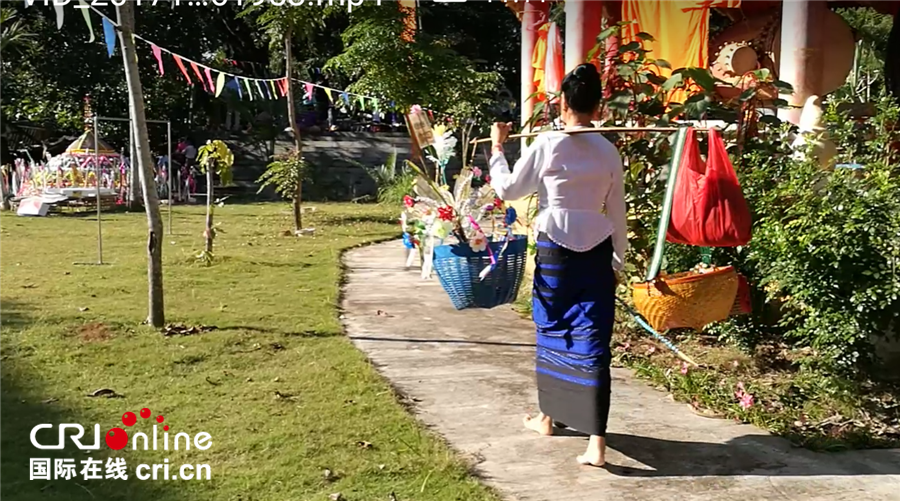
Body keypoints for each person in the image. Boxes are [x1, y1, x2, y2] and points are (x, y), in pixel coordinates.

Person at [488, 63, 628, 467]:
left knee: (552, 329)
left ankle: (553, 419)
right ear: (598, 105)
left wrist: (498, 149)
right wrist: (618, 260)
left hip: (556, 249)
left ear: (562, 103)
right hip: (599, 247)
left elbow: (510, 188)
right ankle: (586, 438)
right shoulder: (608, 149)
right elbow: (617, 211)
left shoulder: (548, 144)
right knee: (593, 336)